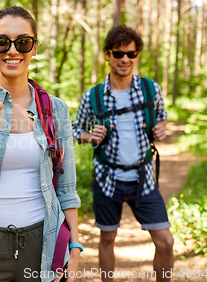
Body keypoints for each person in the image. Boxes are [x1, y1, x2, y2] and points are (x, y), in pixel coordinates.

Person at [0, 6, 82, 282]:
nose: (12, 50)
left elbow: (67, 188)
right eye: (2, 42)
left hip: (42, 244)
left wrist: (75, 246)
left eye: (22, 42)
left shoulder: (55, 109)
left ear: (34, 48)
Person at [72, 25, 174, 282]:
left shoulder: (151, 89)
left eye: (131, 53)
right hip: (107, 179)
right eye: (118, 54)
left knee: (165, 242)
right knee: (107, 238)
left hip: (144, 179)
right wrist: (89, 136)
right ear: (107, 55)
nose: (125, 59)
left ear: (136, 55)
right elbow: (76, 129)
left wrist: (161, 128)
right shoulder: (93, 96)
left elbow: (161, 118)